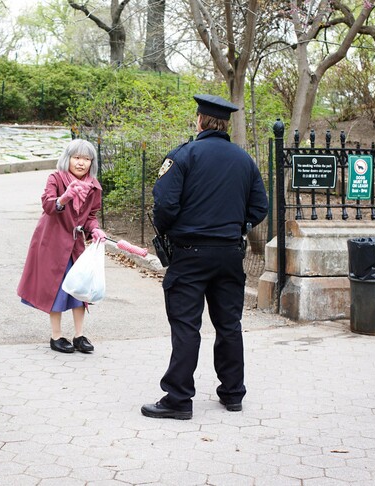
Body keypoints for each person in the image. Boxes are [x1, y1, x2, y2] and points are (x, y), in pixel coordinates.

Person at [141, 94, 269, 419]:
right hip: (229, 254)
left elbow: (165, 205)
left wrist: (171, 229)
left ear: (199, 121)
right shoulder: (244, 160)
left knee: (186, 325)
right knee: (229, 325)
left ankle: (179, 399)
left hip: (190, 253)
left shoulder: (184, 155)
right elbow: (260, 207)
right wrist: (237, 225)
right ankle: (233, 394)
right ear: (224, 124)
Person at [17, 138, 106, 354]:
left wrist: (95, 230)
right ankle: (56, 336)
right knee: (55, 289)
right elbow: (48, 205)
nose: (81, 163)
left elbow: (90, 217)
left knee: (79, 288)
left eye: (86, 159)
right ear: (68, 159)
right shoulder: (55, 178)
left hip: (75, 245)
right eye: (76, 157)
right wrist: (65, 197)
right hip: (51, 243)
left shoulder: (94, 186)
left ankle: (79, 336)